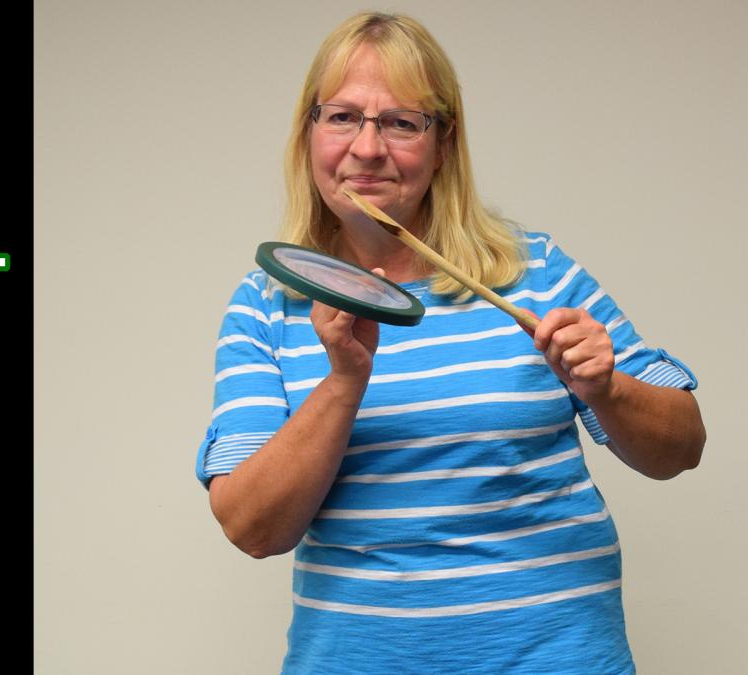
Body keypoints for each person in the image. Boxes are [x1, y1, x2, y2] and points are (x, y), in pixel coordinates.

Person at [194, 12, 705, 674]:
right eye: (343, 116)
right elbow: (253, 527)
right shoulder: (267, 303)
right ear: (309, 132)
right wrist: (345, 380)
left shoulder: (537, 271)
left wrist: (604, 388)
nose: (368, 148)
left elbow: (683, 446)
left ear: (443, 143)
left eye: (402, 122)